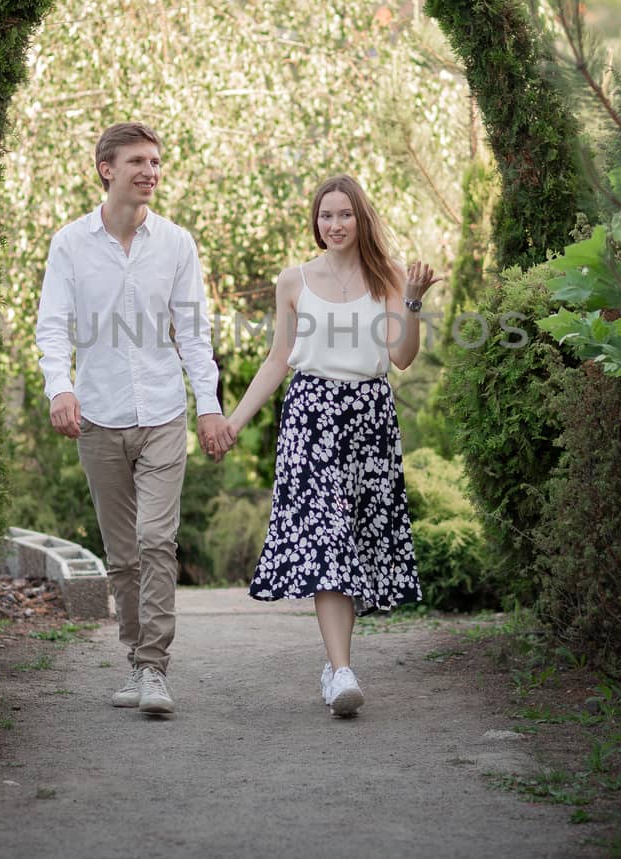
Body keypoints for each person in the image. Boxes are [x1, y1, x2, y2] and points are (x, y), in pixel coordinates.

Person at [35, 121, 234, 717]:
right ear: (107, 169)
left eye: (155, 162)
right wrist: (59, 389)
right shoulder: (70, 244)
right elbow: (51, 326)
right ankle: (134, 660)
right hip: (97, 416)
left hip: (163, 414)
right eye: (138, 162)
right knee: (122, 554)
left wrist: (208, 406)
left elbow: (194, 335)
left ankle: (154, 670)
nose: (150, 172)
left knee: (155, 541)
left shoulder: (176, 244)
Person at [224, 173, 439, 717]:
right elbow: (277, 361)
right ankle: (341, 671)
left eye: (344, 214)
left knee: (356, 544)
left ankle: (335, 666)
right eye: (326, 215)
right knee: (328, 542)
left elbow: (402, 358)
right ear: (316, 223)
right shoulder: (293, 281)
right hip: (310, 420)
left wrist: (412, 304)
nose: (335, 224)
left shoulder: (388, 276)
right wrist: (232, 420)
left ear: (360, 218)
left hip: (370, 418)